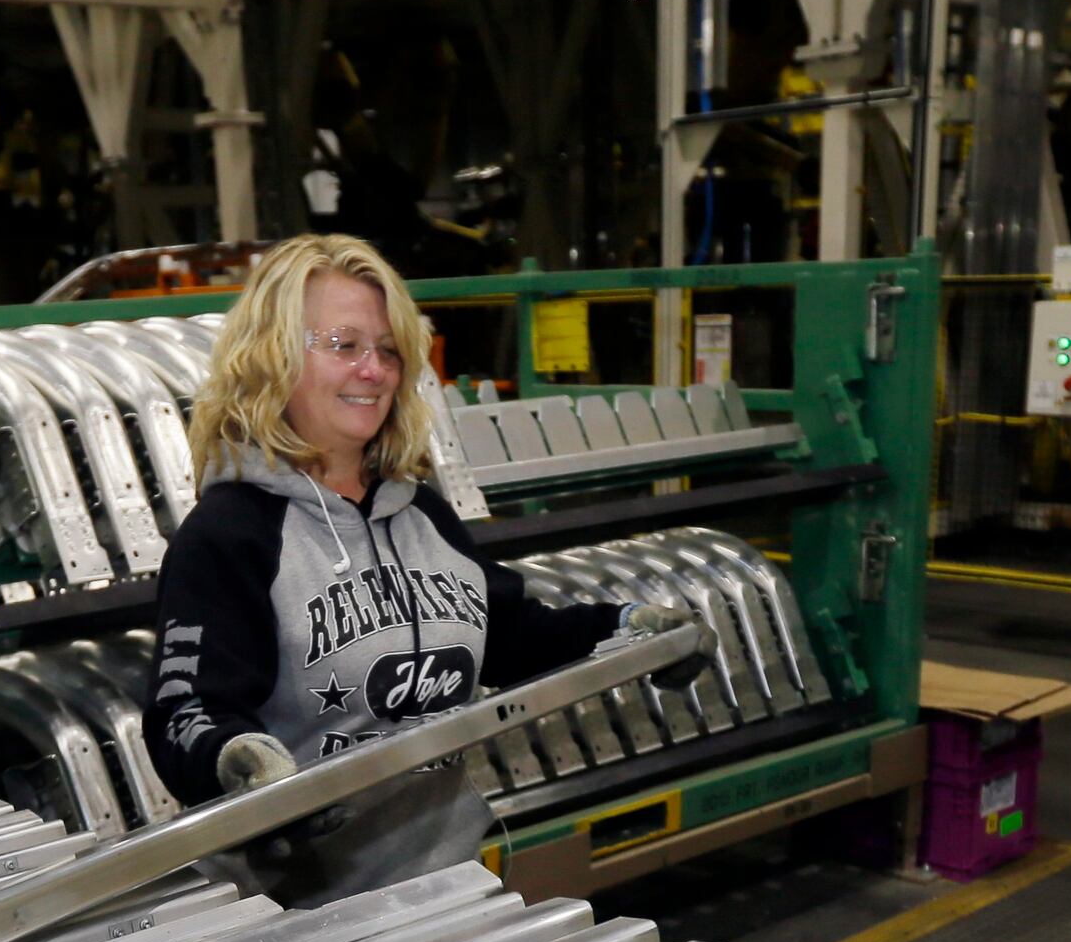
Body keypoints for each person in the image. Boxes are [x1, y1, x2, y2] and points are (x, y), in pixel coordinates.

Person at [145, 235, 695, 870]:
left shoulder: (418, 512)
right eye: (343, 345)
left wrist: (627, 630)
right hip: (293, 907)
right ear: (272, 357)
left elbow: (510, 634)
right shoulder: (231, 534)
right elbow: (182, 713)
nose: (373, 371)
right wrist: (237, 761)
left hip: (441, 881)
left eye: (387, 350)